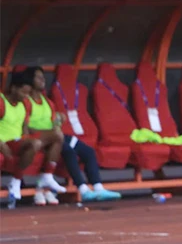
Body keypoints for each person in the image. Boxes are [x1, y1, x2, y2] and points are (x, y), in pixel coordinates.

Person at [30, 66, 120, 202]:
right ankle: (83, 190)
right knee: (68, 151)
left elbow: (52, 120)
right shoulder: (25, 101)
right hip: (41, 138)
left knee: (88, 151)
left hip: (55, 135)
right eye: (38, 77)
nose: (42, 79)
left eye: (43, 76)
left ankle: (98, 187)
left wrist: (58, 119)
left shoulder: (47, 101)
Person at [1, 71, 39, 208]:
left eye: (28, 93)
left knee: (35, 144)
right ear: (13, 88)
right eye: (23, 92)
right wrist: (2, 145)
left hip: (16, 142)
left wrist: (25, 139)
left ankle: (16, 181)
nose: (26, 96)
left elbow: (24, 128)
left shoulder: (25, 104)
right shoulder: (1, 102)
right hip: (3, 142)